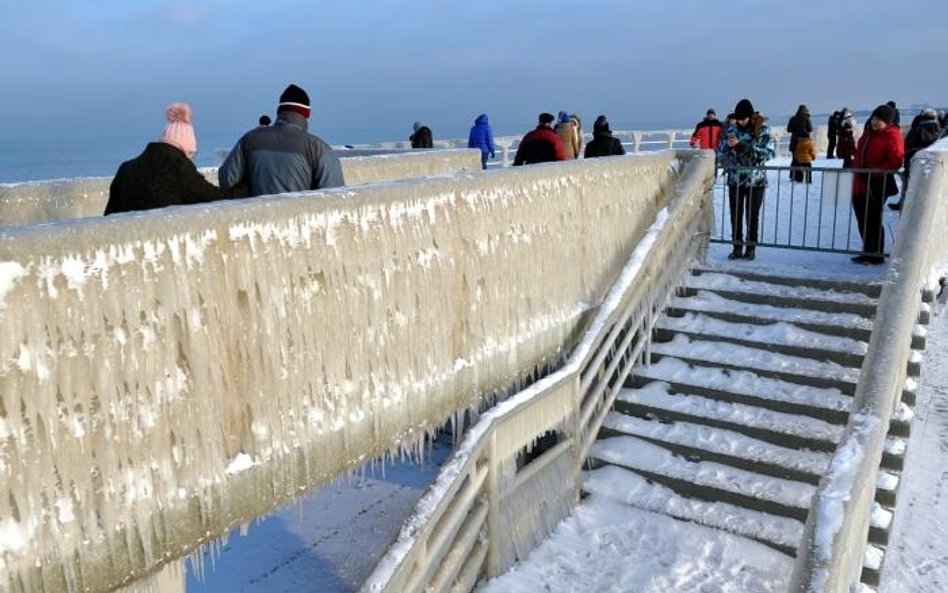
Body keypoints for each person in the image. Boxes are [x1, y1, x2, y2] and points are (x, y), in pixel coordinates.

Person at [105, 103, 245, 215]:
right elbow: (216, 199)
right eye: (191, 154)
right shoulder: (179, 167)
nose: (190, 160)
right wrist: (246, 183)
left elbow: (109, 216)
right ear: (185, 147)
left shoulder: (126, 169)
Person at [219, 84, 345, 197]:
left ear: (279, 111)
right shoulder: (319, 148)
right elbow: (334, 197)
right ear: (306, 115)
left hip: (258, 219)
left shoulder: (249, 139)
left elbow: (227, 180)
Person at [716, 98, 776, 261]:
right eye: (738, 118)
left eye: (743, 118)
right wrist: (727, 148)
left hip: (755, 182)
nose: (740, 122)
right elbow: (719, 152)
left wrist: (743, 146)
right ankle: (736, 248)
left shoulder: (763, 130)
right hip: (735, 180)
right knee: (735, 216)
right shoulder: (731, 130)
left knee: (752, 216)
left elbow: (769, 153)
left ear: (750, 116)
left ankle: (750, 248)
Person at [850, 104, 904, 264]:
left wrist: (875, 172)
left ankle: (876, 254)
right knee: (862, 218)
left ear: (887, 122)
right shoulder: (868, 134)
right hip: (860, 181)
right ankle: (867, 251)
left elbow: (896, 160)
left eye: (879, 120)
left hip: (877, 183)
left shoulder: (893, 135)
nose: (875, 122)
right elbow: (859, 154)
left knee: (872, 218)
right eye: (874, 118)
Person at [890, 108, 942, 211]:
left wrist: (907, 164)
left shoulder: (916, 129)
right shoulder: (938, 129)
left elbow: (908, 146)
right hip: (933, 163)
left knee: (909, 185)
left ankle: (903, 204)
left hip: (915, 162)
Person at [786, 104, 813, 179]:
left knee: (795, 160)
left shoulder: (793, 118)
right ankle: (807, 177)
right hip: (804, 143)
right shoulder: (806, 118)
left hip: (794, 142)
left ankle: (794, 176)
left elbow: (788, 129)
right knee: (805, 160)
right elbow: (810, 129)